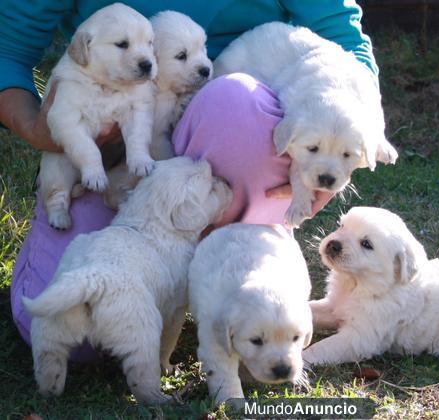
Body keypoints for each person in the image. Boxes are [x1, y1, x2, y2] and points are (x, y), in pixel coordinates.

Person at [0, 1, 379, 362]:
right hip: (116, 147)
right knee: (64, 331)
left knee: (233, 98)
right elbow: (8, 49)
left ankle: (249, 235)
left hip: (238, 136)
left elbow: (345, 45)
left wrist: (325, 162)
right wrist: (37, 128)